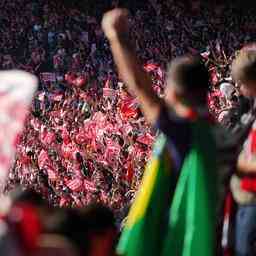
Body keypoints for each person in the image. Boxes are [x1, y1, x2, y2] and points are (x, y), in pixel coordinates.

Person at [102, 8, 236, 256]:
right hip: (220, 236)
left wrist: (116, 37)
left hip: (185, 240)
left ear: (173, 92)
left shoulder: (184, 132)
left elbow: (140, 87)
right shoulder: (226, 134)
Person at [230, 47, 256, 256]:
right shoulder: (249, 109)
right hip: (245, 199)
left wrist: (232, 162)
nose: (237, 87)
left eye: (241, 81)